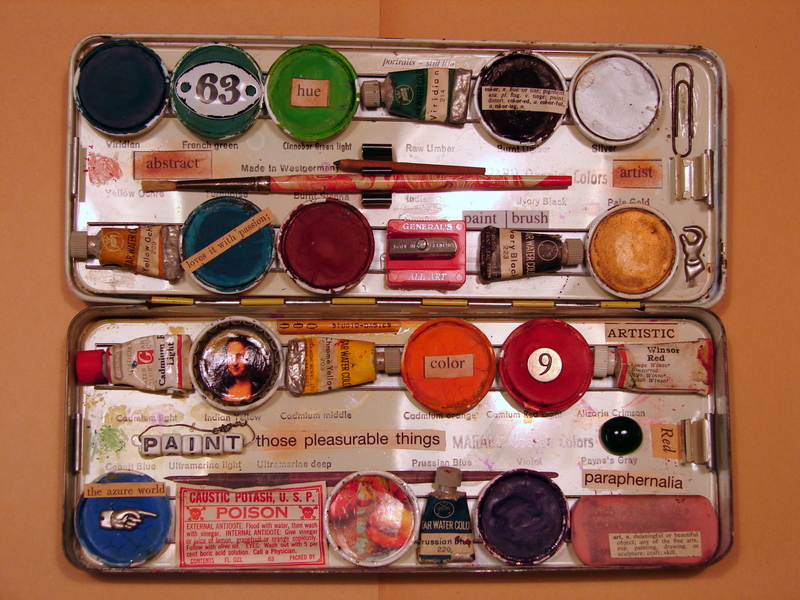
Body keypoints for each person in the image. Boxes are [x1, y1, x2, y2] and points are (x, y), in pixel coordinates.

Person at [205, 334, 270, 404]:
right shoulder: (218, 389)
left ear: (251, 356)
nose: (234, 363)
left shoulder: (260, 387)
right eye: (230, 356)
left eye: (239, 356)